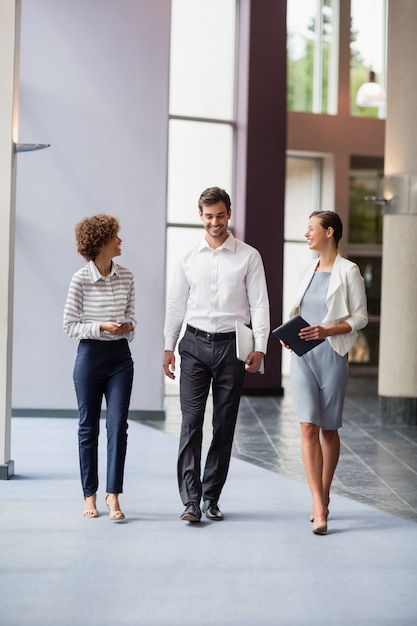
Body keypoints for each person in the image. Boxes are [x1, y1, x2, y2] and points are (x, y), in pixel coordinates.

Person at [163, 186, 270, 522]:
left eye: (220, 215)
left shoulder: (248, 256)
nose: (214, 222)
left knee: (224, 425)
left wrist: (261, 347)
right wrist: (169, 345)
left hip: (231, 348)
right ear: (200, 216)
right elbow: (176, 303)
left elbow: (259, 304)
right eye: (208, 216)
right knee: (191, 423)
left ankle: (211, 497)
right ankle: (190, 501)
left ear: (229, 214)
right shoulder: (187, 257)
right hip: (193, 345)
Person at [281, 211, 368, 534]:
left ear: (329, 232)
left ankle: (325, 493)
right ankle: (318, 505)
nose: (306, 234)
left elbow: (360, 318)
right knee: (307, 427)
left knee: (328, 430)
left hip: (332, 356)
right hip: (303, 357)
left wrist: (327, 331)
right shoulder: (307, 270)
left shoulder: (349, 271)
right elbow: (302, 314)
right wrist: (292, 337)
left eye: (311, 229)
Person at [63, 214, 135, 520]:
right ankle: (89, 496)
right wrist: (101, 327)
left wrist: (127, 327)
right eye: (115, 237)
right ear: (101, 243)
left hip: (120, 358)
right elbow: (69, 325)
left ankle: (113, 495)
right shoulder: (80, 279)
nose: (120, 241)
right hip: (90, 358)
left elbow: (133, 321)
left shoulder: (128, 276)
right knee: (87, 427)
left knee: (118, 426)